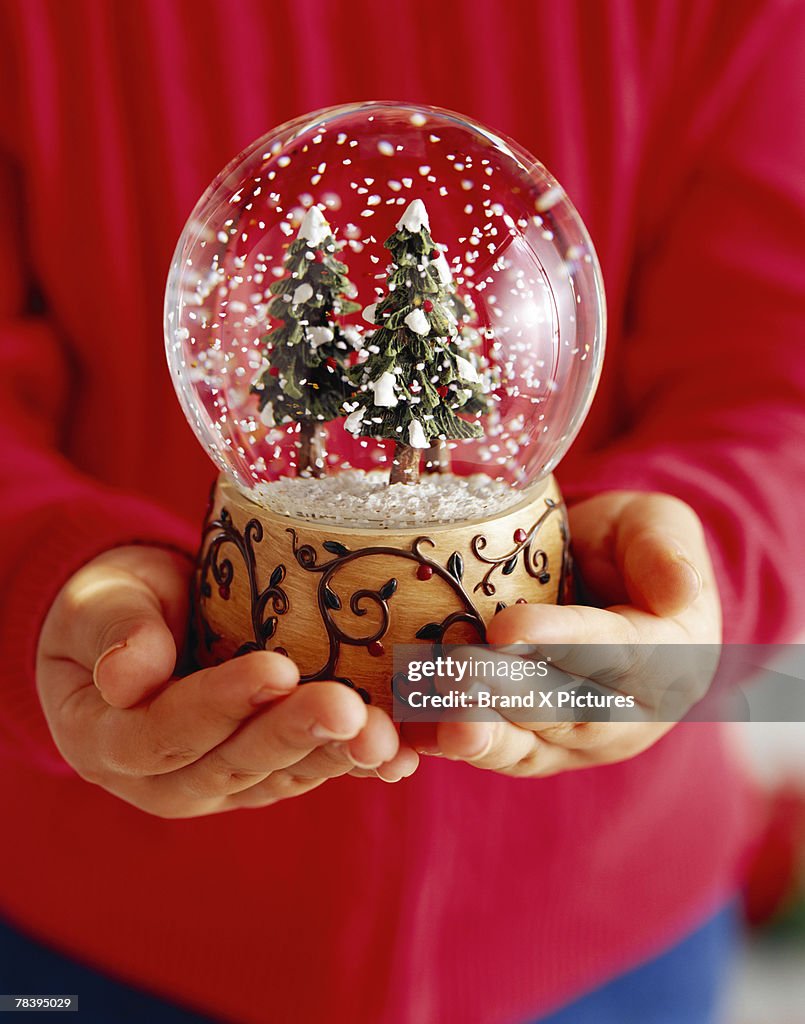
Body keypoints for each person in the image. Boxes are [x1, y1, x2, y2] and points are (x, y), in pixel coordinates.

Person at [1, 1, 803, 1021]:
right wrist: (38, 582)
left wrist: (695, 576)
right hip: (95, 920)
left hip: (608, 930)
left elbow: (775, 375)